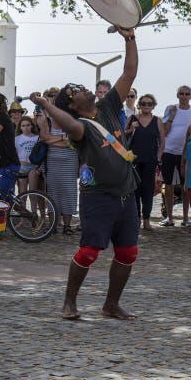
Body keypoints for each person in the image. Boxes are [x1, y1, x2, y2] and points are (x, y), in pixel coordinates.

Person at [31, 26, 139, 321]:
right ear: (72, 105)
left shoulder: (106, 106)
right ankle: (69, 302)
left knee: (128, 252)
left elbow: (129, 71)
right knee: (89, 252)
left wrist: (129, 37)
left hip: (126, 194)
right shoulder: (80, 128)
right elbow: (68, 125)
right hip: (98, 197)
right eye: (75, 91)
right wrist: (47, 106)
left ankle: (110, 305)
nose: (83, 89)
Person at [36, 89, 78, 235]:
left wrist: (53, 140)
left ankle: (67, 225)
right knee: (52, 192)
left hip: (70, 163)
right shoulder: (48, 119)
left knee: (69, 192)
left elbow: (73, 143)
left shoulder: (73, 119)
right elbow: (44, 138)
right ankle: (53, 224)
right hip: (52, 162)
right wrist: (61, 139)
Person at [124, 94, 165, 230]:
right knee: (134, 191)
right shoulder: (132, 118)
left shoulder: (157, 120)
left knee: (148, 191)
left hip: (150, 160)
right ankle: (137, 219)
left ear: (153, 106)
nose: (146, 106)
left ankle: (147, 220)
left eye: (149, 104)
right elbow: (123, 136)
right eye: (143, 103)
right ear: (139, 105)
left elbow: (162, 140)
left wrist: (158, 157)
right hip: (133, 160)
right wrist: (131, 129)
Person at [160, 85, 191, 227]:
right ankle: (169, 217)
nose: (184, 96)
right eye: (181, 93)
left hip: (187, 153)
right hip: (169, 151)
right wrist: (171, 118)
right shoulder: (171, 109)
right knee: (168, 185)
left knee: (185, 185)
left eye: (187, 94)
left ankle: (186, 218)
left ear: (190, 96)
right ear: (177, 95)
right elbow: (164, 131)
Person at [14, 116, 40, 195]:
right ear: (20, 127)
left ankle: (34, 208)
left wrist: (39, 169)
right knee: (22, 194)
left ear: (32, 126)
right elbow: (14, 155)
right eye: (23, 126)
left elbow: (41, 154)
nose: (26, 128)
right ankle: (22, 208)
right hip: (22, 167)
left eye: (28, 125)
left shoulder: (37, 138)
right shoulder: (16, 139)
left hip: (33, 167)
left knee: (33, 193)